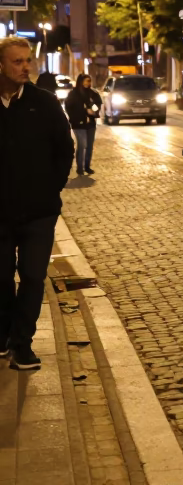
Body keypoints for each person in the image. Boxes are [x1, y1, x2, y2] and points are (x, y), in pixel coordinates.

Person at [0, 37, 74, 371]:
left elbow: (64, 149)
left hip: (39, 212)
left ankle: (23, 344)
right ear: (0, 65)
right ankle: (3, 334)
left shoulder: (44, 103)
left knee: (32, 276)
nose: (25, 67)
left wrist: (50, 189)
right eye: (17, 62)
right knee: (1, 278)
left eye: (27, 60)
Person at [64, 74, 102, 175]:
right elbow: (68, 107)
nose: (87, 83)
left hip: (90, 124)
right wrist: (81, 112)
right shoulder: (74, 94)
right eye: (85, 81)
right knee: (82, 144)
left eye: (89, 81)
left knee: (89, 146)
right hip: (78, 124)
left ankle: (87, 166)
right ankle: (79, 168)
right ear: (80, 82)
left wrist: (93, 111)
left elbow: (97, 105)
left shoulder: (93, 93)